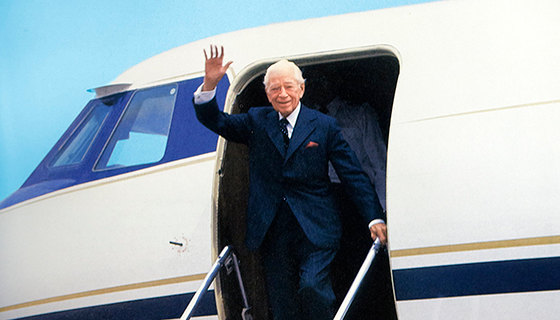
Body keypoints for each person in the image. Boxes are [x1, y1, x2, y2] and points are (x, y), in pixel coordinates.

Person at [193, 45, 387, 320]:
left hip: (317, 226)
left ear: (301, 90)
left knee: (313, 288)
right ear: (267, 93)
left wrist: (374, 217)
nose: (282, 94)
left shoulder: (324, 125)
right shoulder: (257, 120)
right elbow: (217, 121)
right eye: (274, 88)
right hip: (273, 228)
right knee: (283, 305)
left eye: (288, 87)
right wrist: (209, 86)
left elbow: (352, 174)